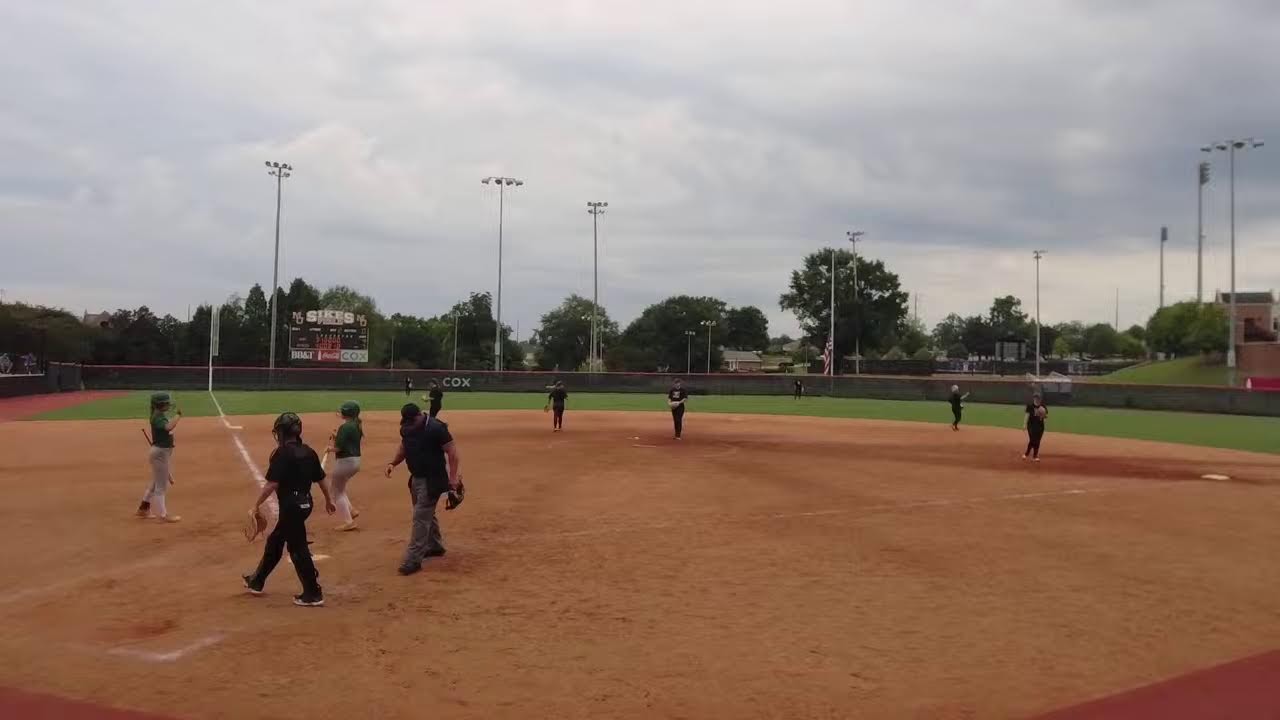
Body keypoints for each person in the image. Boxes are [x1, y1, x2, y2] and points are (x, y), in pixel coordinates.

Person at [243, 412, 336, 607]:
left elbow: (272, 484)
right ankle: (256, 580)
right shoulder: (309, 451)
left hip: (291, 507)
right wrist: (328, 500)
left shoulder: (282, 453)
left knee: (297, 548)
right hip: (305, 504)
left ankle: (313, 592)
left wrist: (256, 505)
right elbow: (321, 479)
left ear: (282, 432)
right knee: (276, 541)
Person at [385, 403, 462, 576]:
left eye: (412, 420)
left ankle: (413, 560)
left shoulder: (436, 428)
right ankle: (434, 545)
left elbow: (452, 452)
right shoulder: (406, 428)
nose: (410, 424)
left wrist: (453, 478)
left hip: (433, 479)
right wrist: (393, 463)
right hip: (416, 478)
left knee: (420, 517)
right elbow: (404, 447)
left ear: (420, 415)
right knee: (425, 514)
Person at [137, 392, 182, 522]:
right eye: (166, 403)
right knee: (161, 486)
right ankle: (163, 515)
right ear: (160, 404)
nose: (168, 404)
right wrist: (178, 416)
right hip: (160, 454)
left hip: (162, 453)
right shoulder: (157, 417)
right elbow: (168, 427)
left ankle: (143, 509)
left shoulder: (159, 415)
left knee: (156, 483)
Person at [328, 401, 363, 531]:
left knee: (336, 492)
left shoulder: (345, 427)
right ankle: (352, 510)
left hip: (345, 462)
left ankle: (349, 522)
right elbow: (348, 441)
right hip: (355, 462)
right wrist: (336, 436)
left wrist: (329, 449)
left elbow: (338, 448)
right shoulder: (356, 425)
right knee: (340, 488)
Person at [1023, 393, 1049, 461]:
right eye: (1035, 398)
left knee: (1037, 441)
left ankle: (1035, 456)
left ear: (1040, 399)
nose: (1037, 399)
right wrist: (1024, 424)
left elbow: (1046, 417)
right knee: (1032, 439)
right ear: (1034, 398)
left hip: (1040, 426)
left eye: (1038, 398)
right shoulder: (1030, 406)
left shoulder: (1043, 406)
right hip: (1031, 425)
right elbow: (1027, 415)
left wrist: (1043, 415)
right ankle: (1027, 453)